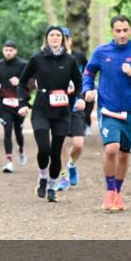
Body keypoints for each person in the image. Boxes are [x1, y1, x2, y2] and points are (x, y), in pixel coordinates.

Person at [83, 16, 131, 212]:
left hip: (130, 110)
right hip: (108, 108)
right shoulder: (101, 51)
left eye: (125, 30)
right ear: (112, 31)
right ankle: (109, 191)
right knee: (111, 148)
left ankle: (118, 194)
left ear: (130, 30)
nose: (121, 34)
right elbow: (88, 73)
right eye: (118, 30)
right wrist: (87, 89)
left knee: (123, 154)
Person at [17, 25, 85, 202]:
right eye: (51, 35)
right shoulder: (37, 58)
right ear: (46, 38)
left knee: (56, 152)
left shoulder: (69, 60)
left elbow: (79, 84)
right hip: (41, 109)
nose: (55, 38)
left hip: (62, 111)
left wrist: (79, 98)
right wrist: (23, 103)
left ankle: (53, 186)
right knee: (44, 149)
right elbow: (22, 82)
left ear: (63, 39)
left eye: (58, 35)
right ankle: (42, 177)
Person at [0, 41, 28, 172]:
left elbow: (32, 82)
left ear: (15, 51)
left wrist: (21, 82)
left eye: (11, 50)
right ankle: (9, 161)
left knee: (18, 131)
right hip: (4, 103)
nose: (8, 52)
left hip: (20, 103)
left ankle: (21, 150)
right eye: (6, 50)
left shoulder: (23, 64)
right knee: (7, 130)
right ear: (3, 50)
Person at [59, 27, 88, 190]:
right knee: (60, 141)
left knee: (78, 144)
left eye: (66, 38)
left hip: (76, 105)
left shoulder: (79, 57)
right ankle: (63, 177)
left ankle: (71, 164)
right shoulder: (53, 58)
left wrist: (83, 97)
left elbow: (87, 78)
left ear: (70, 41)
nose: (63, 41)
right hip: (58, 106)